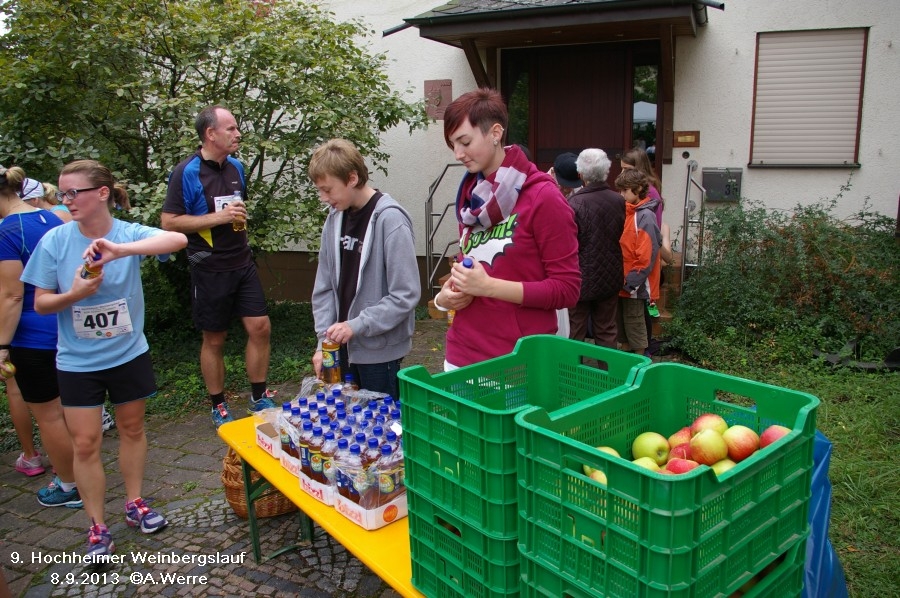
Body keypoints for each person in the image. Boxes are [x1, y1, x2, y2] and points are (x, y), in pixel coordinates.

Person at [22, 159, 187, 559]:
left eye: (73, 192)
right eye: (62, 194)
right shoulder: (56, 241)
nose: (66, 200)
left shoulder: (127, 233)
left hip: (129, 353)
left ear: (101, 194)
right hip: (78, 362)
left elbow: (176, 241)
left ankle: (134, 503)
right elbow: (42, 304)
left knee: (132, 430)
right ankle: (97, 527)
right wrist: (76, 294)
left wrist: (119, 251)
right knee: (85, 443)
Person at [432, 88, 581, 369]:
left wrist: (488, 287)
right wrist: (446, 296)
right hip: (460, 354)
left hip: (516, 363)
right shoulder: (471, 195)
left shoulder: (543, 197)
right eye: (452, 144)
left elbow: (567, 289)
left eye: (464, 141)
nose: (458, 153)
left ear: (496, 133)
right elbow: (474, 266)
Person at [161, 105, 277, 427]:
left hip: (241, 262)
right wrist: (219, 218)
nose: (238, 134)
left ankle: (258, 395)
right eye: (231, 128)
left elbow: (236, 212)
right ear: (210, 134)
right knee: (215, 339)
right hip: (208, 265)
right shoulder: (186, 172)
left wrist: (234, 223)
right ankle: (218, 403)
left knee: (260, 327)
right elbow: (169, 222)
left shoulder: (237, 167)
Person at [308, 139, 420, 398]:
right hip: (340, 349)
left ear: (352, 178)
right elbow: (323, 288)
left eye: (328, 190)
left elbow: (406, 295)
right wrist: (322, 345)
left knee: (383, 430)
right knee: (348, 425)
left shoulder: (391, 219)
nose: (324, 198)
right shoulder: (335, 218)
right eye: (320, 191)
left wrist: (356, 325)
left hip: (380, 353)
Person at [1, 167, 67, 483]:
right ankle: (73, 471)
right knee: (67, 409)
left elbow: (12, 295)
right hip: (63, 326)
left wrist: (2, 346)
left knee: (48, 414)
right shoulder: (51, 217)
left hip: (30, 333)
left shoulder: (6, 231)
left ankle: (67, 480)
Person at [566, 149, 625, 349]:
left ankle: (572, 377)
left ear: (580, 174)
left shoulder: (574, 203)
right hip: (610, 272)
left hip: (581, 275)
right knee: (607, 329)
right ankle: (609, 378)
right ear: (606, 171)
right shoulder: (619, 200)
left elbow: (570, 242)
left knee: (576, 330)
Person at [614, 168, 661, 356]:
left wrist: (631, 282)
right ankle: (626, 362)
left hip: (635, 283)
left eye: (625, 190)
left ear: (638, 188)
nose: (621, 195)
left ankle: (640, 363)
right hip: (623, 281)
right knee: (623, 327)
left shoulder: (645, 216)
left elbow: (646, 254)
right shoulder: (628, 212)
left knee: (635, 325)